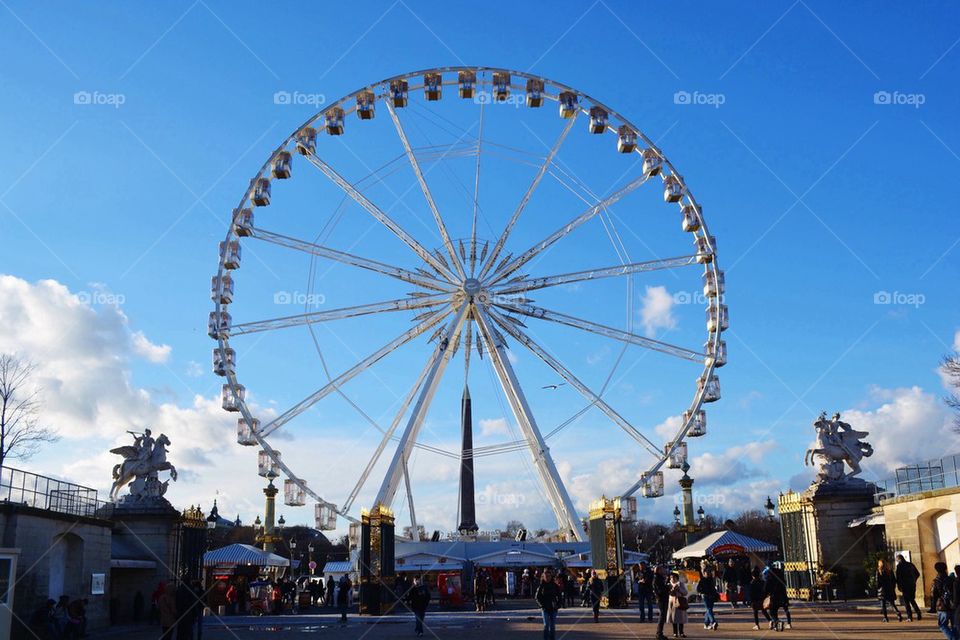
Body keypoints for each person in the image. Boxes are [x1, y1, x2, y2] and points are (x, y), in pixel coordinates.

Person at [535, 567, 562, 640]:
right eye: (546, 576)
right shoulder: (541, 586)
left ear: (551, 576)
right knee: (546, 625)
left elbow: (560, 596)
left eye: (549, 576)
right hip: (545, 608)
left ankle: (552, 638)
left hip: (553, 608)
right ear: (543, 576)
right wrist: (542, 605)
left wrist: (558, 604)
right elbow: (537, 597)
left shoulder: (555, 585)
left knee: (552, 625)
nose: (547, 578)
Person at [895, 553, 922, 621]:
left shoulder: (899, 566)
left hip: (905, 586)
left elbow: (898, 577)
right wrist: (913, 580)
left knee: (906, 602)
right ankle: (918, 612)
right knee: (912, 600)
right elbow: (917, 574)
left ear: (899, 560)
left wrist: (899, 586)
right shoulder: (910, 564)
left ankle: (910, 616)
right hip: (912, 585)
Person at [932, 561, 955, 640]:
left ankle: (952, 638)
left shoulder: (936, 581)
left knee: (942, 625)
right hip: (953, 605)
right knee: (954, 626)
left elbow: (934, 595)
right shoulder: (951, 579)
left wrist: (933, 607)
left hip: (942, 606)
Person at [666, 572, 688, 638]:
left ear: (677, 578)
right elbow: (668, 593)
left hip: (680, 602)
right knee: (673, 618)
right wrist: (672, 590)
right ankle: (675, 633)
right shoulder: (668, 584)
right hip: (672, 603)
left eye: (674, 577)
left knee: (681, 618)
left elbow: (685, 592)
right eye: (671, 577)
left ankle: (681, 632)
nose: (672, 579)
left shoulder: (680, 584)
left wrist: (679, 589)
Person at [654, 565, 670, 640]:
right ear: (659, 570)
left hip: (662, 598)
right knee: (662, 616)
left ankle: (660, 633)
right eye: (662, 569)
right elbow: (660, 590)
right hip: (661, 599)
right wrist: (667, 587)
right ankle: (659, 633)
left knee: (662, 616)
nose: (664, 570)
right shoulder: (657, 579)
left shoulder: (660, 578)